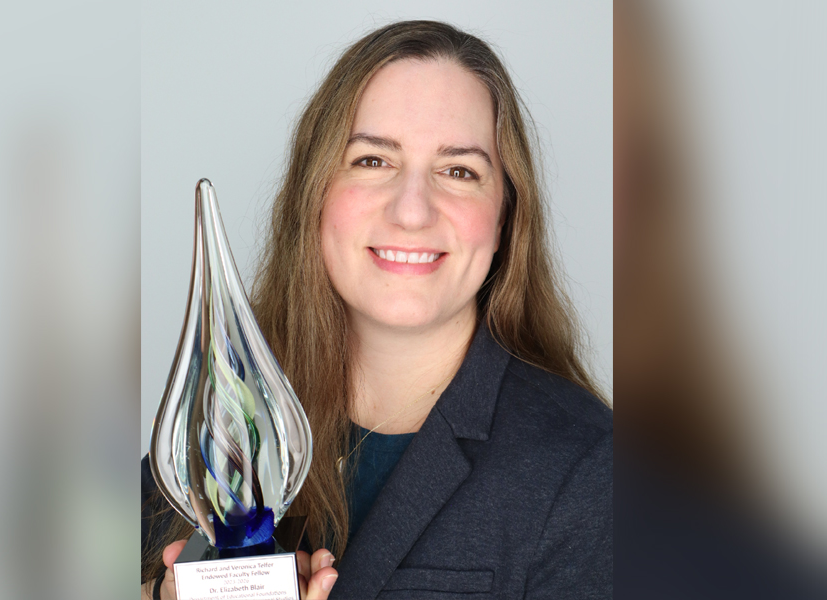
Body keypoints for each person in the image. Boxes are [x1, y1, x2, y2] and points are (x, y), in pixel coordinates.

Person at [142, 20, 611, 600]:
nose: (412, 211)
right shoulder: (218, 429)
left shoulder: (592, 472)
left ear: (505, 219)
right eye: (372, 161)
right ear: (314, 192)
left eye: (459, 171)